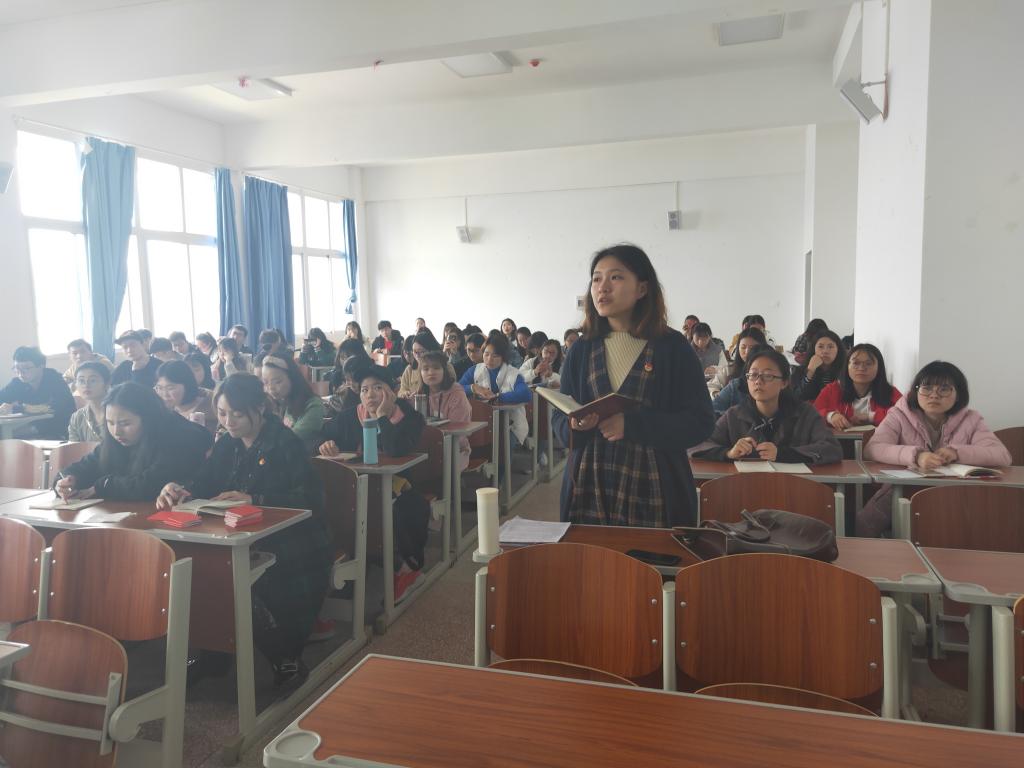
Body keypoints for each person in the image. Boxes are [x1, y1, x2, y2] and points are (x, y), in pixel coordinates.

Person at [156, 373, 330, 686]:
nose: (228, 422)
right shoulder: (228, 443)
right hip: (239, 534)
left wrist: (255, 498)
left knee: (246, 581)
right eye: (222, 414)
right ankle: (214, 652)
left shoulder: (284, 442)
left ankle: (284, 657)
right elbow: (205, 481)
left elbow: (311, 499)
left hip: (292, 539)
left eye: (237, 414)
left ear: (260, 407)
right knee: (199, 570)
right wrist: (180, 489)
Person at [553, 245, 714, 528]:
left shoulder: (672, 347)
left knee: (650, 556)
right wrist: (574, 426)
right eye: (596, 279)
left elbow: (701, 422)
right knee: (591, 555)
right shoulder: (581, 348)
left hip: (654, 486)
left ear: (642, 288)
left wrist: (633, 425)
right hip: (590, 485)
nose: (602, 287)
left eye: (615, 277)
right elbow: (560, 419)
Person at [857, 361, 1012, 537]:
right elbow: (873, 448)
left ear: (958, 394)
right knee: (866, 525)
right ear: (916, 391)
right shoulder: (899, 415)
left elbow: (1002, 455)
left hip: (956, 494)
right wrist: (916, 456)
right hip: (904, 489)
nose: (934, 395)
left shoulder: (972, 419)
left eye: (944, 389)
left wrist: (957, 452)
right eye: (927, 388)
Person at [318, 365, 430, 601]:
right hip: (354, 489)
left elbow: (395, 449)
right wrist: (326, 444)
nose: (370, 395)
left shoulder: (410, 417)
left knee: (385, 512)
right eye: (364, 390)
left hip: (399, 490)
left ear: (392, 391)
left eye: (378, 388)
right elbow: (323, 434)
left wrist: (382, 417)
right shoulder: (350, 416)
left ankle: (404, 568)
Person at [55, 382, 212, 501]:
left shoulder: (179, 437)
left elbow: (150, 485)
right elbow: (86, 466)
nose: (116, 431)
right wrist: (68, 480)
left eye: (125, 423)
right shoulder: (117, 439)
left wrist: (104, 485)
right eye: (110, 422)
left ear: (148, 419)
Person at [693, 348, 841, 466]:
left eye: (768, 376)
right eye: (753, 375)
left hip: (793, 488)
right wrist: (728, 453)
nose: (758, 381)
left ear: (784, 382)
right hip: (745, 488)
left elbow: (832, 448)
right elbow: (698, 444)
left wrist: (783, 454)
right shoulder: (734, 415)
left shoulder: (805, 413)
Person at [459, 333, 532, 446]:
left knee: (503, 447)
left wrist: (497, 397)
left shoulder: (513, 373)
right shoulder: (474, 370)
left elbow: (525, 394)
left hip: (509, 423)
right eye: (486, 354)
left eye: (495, 356)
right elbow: (457, 389)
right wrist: (473, 388)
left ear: (503, 357)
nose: (489, 359)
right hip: (481, 420)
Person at [814, 343, 902, 429]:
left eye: (868, 363)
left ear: (879, 368)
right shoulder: (832, 390)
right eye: (856, 363)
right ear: (847, 366)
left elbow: (903, 416)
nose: (861, 368)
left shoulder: (890, 392)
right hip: (840, 439)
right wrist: (830, 416)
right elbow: (812, 413)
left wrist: (871, 416)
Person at [0, 346, 77, 439]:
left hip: (59, 430)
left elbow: (53, 408)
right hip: (31, 427)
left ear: (41, 366)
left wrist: (17, 408)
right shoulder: (17, 383)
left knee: (9, 435)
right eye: (17, 368)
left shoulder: (56, 380)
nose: (20, 373)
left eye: (26, 368)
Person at [417, 351, 472, 470]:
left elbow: (458, 432)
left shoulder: (456, 393)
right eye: (425, 369)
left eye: (436, 368)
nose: (431, 372)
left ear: (444, 371)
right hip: (425, 449)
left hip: (455, 449)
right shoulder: (419, 395)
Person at [260, 354, 325, 450]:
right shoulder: (282, 402)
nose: (271, 388)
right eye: (265, 382)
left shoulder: (314, 405)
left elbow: (291, 438)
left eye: (277, 382)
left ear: (292, 378)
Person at [155, 360, 217, 432]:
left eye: (170, 388)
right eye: (159, 388)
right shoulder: (163, 411)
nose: (165, 394)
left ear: (187, 385)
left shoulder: (213, 410)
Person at [708, 327, 767, 398]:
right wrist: (716, 393)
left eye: (752, 348)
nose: (747, 352)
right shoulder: (729, 370)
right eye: (743, 347)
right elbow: (711, 386)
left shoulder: (769, 371)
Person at [791, 330, 846, 401]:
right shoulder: (798, 371)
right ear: (814, 349)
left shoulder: (845, 371)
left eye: (830, 347)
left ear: (838, 350)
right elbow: (796, 397)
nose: (825, 351)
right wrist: (810, 371)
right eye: (820, 346)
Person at [398, 331, 456, 398]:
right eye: (415, 352)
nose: (417, 355)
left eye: (421, 352)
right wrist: (405, 393)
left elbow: (452, 390)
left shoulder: (446, 366)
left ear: (431, 350)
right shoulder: (409, 369)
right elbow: (401, 391)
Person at [68, 361, 110, 442]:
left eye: (93, 380)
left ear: (107, 384)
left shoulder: (119, 412)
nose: (86, 385)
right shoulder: (77, 417)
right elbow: (74, 447)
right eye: (81, 381)